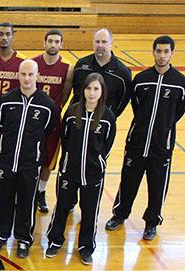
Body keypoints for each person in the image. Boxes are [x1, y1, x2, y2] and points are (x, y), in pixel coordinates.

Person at [106, 36, 185, 240]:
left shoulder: (181, 83)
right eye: (158, 51)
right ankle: (120, 214)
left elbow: (179, 111)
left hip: (162, 145)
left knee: (158, 185)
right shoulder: (141, 80)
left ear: (172, 53)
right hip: (137, 142)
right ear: (153, 52)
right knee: (128, 181)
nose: (161, 56)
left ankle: (152, 222)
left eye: (165, 51)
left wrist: (164, 130)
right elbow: (136, 107)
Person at [45, 73, 116, 265]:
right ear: (82, 90)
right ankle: (55, 240)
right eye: (88, 88)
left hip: (93, 175)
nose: (92, 93)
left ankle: (86, 247)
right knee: (61, 208)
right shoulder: (73, 112)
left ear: (102, 92)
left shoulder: (108, 117)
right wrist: (68, 161)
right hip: (70, 172)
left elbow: (107, 145)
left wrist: (98, 162)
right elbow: (65, 139)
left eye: (96, 89)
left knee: (90, 211)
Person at [0, 60, 57, 258]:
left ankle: (24, 238)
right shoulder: (6, 101)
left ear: (38, 76)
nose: (27, 78)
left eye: (31, 74)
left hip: (30, 163)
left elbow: (49, 130)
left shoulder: (47, 105)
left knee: (28, 200)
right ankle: (1, 234)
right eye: (23, 74)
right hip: (8, 160)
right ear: (17, 75)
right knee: (4, 198)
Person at [31, 29, 75, 213]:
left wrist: (55, 109)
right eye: (50, 41)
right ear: (44, 42)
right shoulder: (33, 63)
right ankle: (27, 190)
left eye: (57, 42)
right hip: (32, 120)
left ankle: (40, 192)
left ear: (61, 44)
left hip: (52, 120)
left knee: (48, 160)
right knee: (30, 157)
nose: (53, 45)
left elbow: (65, 94)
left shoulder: (67, 67)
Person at [71, 28, 132, 118]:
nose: (100, 45)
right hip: (79, 118)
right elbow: (75, 92)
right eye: (97, 41)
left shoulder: (122, 73)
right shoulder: (81, 65)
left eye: (104, 42)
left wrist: (110, 117)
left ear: (111, 44)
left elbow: (123, 101)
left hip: (103, 122)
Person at [0, 22, 27, 94]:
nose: (4, 38)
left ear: (13, 37)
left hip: (12, 103)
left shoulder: (22, 61)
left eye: (8, 34)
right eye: (1, 34)